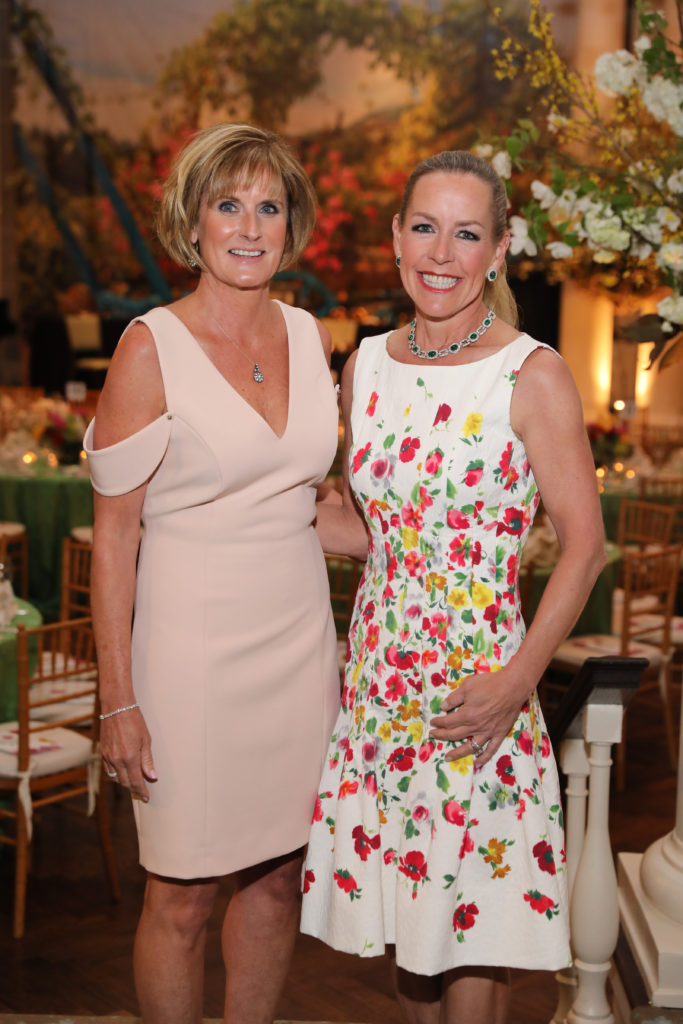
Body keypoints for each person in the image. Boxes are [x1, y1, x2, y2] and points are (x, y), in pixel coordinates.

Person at [300, 150, 606, 1023]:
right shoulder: (363, 366)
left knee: (471, 929)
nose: (441, 253)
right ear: (396, 238)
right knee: (409, 932)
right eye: (425, 228)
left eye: (466, 234)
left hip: (480, 691)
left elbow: (584, 548)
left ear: (498, 249)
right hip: (380, 691)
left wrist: (516, 683)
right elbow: (381, 531)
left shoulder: (531, 372)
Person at [84, 123, 340, 1024]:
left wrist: (440, 535)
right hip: (189, 659)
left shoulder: (309, 335)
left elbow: (307, 503)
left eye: (269, 207)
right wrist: (117, 699)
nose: (249, 226)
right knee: (182, 894)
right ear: (192, 222)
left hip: (299, 648)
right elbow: (114, 535)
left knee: (278, 878)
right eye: (228, 204)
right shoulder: (149, 347)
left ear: (290, 226)